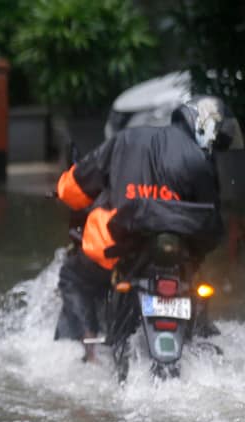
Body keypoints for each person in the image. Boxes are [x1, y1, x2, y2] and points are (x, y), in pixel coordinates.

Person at [53, 95, 239, 360]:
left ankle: (85, 350)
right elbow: (211, 225)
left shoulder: (125, 139)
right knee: (197, 285)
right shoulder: (201, 161)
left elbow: (75, 189)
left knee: (74, 277)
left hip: (122, 250)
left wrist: (61, 190)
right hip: (177, 260)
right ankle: (197, 338)